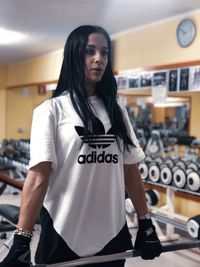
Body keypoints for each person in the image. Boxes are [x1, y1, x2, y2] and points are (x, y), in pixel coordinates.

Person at [0, 25, 162, 267]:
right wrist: (22, 240)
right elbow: (37, 177)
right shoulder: (50, 111)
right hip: (63, 233)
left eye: (104, 52)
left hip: (112, 233)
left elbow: (130, 170)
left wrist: (146, 222)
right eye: (90, 51)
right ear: (75, 55)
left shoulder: (117, 111)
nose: (99, 59)